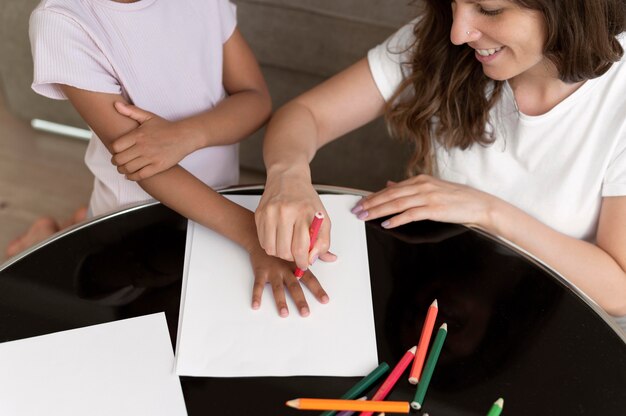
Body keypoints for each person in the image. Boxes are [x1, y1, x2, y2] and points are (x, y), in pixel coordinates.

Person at [254, 0, 626, 321]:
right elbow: (305, 115)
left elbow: (618, 291)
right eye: (453, 4)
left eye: (489, 9)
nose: (459, 33)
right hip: (439, 285)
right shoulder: (442, 40)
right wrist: (288, 176)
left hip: (563, 325)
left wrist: (487, 211)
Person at [16, 0, 328, 317]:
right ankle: (47, 235)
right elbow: (144, 164)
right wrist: (252, 238)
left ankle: (73, 223)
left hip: (221, 212)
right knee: (106, 297)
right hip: (133, 226)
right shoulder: (63, 21)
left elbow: (256, 98)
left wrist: (188, 135)